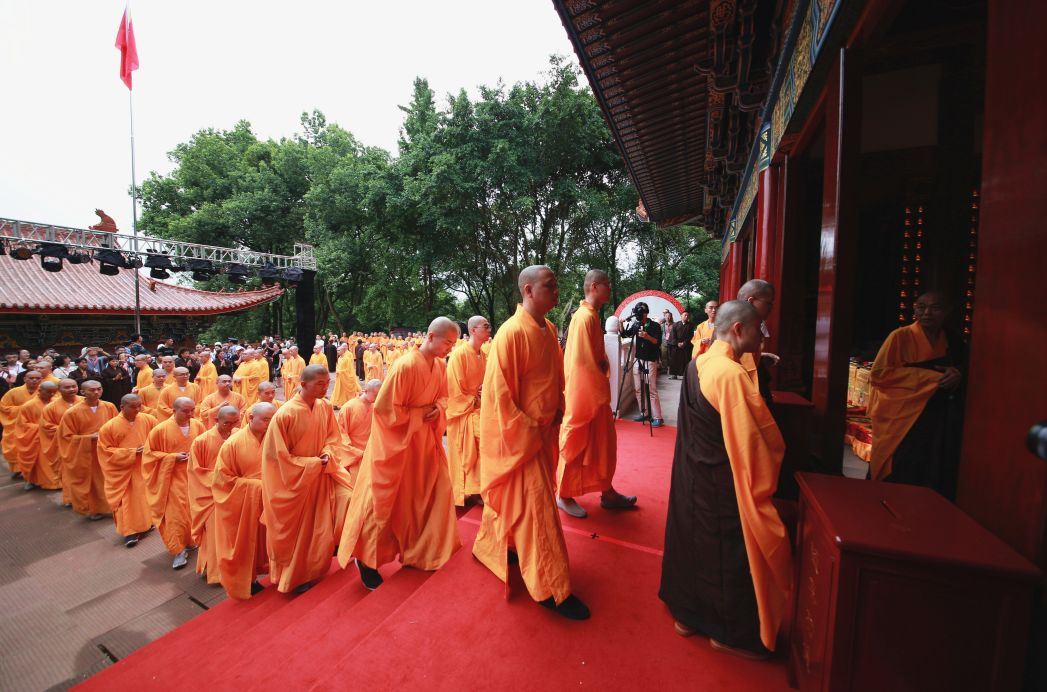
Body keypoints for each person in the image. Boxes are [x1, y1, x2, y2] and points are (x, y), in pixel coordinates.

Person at [659, 300, 792, 659]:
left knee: (691, 540)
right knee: (727, 551)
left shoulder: (700, 360)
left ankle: (687, 617)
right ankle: (726, 632)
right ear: (738, 329)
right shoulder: (731, 375)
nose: (762, 336)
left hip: (692, 471)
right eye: (758, 329)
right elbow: (755, 442)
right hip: (720, 479)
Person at [473, 265, 589, 620]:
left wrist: (557, 408)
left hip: (543, 434)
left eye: (555, 285)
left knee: (523, 505)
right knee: (539, 512)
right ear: (527, 290)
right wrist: (528, 431)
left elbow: (554, 376)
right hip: (522, 439)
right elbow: (498, 397)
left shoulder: (549, 328)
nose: (556, 291)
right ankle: (551, 588)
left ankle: (496, 544)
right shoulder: (510, 334)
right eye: (549, 286)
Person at [337, 319, 459, 589]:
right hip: (397, 445)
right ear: (430, 336)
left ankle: (424, 550)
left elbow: (444, 398)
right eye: (448, 342)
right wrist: (420, 414)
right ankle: (367, 559)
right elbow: (385, 410)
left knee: (432, 491)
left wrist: (437, 409)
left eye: (453, 343)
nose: (450, 349)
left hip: (425, 442)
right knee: (383, 501)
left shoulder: (440, 366)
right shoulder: (405, 365)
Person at [261, 364, 353, 594]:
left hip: (320, 475)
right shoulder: (285, 414)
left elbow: (334, 437)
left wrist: (328, 453)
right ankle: (293, 578)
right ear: (302, 384)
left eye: (327, 383)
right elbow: (276, 458)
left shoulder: (324, 406)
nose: (325, 388)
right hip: (294, 483)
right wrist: (311, 464)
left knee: (327, 521)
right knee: (298, 533)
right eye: (319, 384)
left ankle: (314, 568)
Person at [868, 291, 965, 498]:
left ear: (948, 311)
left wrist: (958, 373)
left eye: (935, 308)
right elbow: (879, 374)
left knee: (932, 465)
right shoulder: (900, 336)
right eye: (921, 307)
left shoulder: (954, 340)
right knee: (900, 463)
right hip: (902, 416)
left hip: (936, 413)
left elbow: (965, 368)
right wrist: (930, 377)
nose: (927, 313)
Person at [556, 270, 636, 518]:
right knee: (576, 443)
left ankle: (607, 491)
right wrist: (598, 384)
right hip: (585, 395)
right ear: (594, 287)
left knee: (603, 447)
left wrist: (602, 366)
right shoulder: (583, 317)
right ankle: (563, 494)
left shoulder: (591, 315)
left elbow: (594, 358)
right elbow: (580, 362)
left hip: (594, 392)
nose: (610, 290)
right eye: (607, 285)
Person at [213, 402, 277, 599]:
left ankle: (278, 571)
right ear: (250, 418)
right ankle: (247, 580)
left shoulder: (276, 439)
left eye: (272, 419)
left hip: (272, 501)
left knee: (273, 539)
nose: (269, 424)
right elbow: (223, 480)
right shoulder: (232, 444)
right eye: (266, 419)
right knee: (245, 544)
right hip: (245, 504)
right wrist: (256, 487)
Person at [143, 397, 205, 570]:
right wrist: (171, 457)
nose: (191, 414)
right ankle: (178, 550)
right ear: (174, 410)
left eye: (193, 410)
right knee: (174, 516)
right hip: (170, 479)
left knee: (193, 511)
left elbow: (204, 446)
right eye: (186, 411)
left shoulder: (198, 425)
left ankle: (192, 540)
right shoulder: (160, 430)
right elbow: (149, 455)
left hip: (194, 476)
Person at [97, 394, 158, 547]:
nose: (137, 409)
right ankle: (129, 531)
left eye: (139, 406)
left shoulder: (148, 419)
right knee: (127, 500)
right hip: (123, 472)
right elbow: (105, 451)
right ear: (122, 407)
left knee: (143, 497)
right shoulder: (109, 427)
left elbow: (158, 437)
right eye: (133, 407)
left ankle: (146, 523)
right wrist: (131, 452)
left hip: (144, 467)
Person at [188, 405, 240, 583]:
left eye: (235, 422)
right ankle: (216, 572)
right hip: (211, 495)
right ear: (216, 420)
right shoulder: (201, 441)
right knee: (215, 535)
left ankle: (235, 567)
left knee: (234, 533)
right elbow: (197, 472)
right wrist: (224, 480)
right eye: (227, 423)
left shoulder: (238, 435)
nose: (231, 427)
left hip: (235, 492)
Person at [446, 315, 491, 507]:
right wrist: (476, 398)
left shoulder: (485, 355)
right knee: (466, 453)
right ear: (473, 330)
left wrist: (485, 394)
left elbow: (489, 382)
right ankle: (464, 491)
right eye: (485, 326)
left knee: (483, 450)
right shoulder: (459, 355)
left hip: (481, 411)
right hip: (464, 413)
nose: (489, 329)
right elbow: (453, 389)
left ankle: (478, 488)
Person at [58, 380, 117, 519]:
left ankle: (113, 505)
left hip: (106, 450)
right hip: (86, 454)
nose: (96, 392)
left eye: (99, 389)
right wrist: (87, 438)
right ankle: (94, 509)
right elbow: (66, 437)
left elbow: (117, 425)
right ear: (83, 392)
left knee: (111, 479)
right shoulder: (72, 413)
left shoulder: (109, 407)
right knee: (92, 483)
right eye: (92, 390)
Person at [13, 380, 60, 490]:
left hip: (54, 437)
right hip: (37, 438)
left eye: (54, 392)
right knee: (36, 461)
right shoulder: (28, 406)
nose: (52, 395)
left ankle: (58, 481)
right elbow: (22, 425)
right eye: (49, 392)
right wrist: (41, 428)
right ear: (40, 390)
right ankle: (32, 480)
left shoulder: (57, 403)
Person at [41, 379, 82, 501]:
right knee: (68, 471)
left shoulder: (85, 402)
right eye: (67, 387)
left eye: (74, 386)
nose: (71, 389)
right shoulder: (50, 407)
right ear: (59, 390)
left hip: (85, 444)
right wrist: (68, 431)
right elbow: (47, 426)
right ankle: (70, 497)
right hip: (65, 444)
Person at [627, 302, 664, 427]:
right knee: (638, 388)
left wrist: (647, 336)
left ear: (646, 312)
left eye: (640, 311)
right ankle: (645, 413)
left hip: (650, 360)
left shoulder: (654, 326)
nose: (637, 314)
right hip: (638, 359)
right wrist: (621, 324)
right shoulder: (636, 324)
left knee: (651, 389)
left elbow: (657, 342)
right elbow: (625, 335)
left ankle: (658, 417)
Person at [1, 369, 42, 475]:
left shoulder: (45, 391)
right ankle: (17, 468)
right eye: (31, 378)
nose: (34, 380)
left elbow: (51, 407)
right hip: (16, 425)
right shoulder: (13, 392)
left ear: (41, 380)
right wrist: (24, 409)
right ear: (25, 379)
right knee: (13, 447)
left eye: (37, 378)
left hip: (37, 426)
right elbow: (4, 407)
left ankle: (34, 472)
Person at [337, 379, 381, 476]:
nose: (378, 398)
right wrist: (356, 453)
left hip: (371, 452)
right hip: (354, 456)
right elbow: (341, 434)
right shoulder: (348, 407)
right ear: (365, 391)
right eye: (375, 395)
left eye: (380, 395)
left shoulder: (375, 407)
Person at [331, 343, 360, 408]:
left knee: (345, 391)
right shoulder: (339, 358)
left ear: (343, 350)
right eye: (337, 350)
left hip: (345, 377)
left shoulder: (347, 358)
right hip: (340, 378)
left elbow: (349, 369)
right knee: (339, 390)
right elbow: (338, 367)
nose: (337, 352)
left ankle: (347, 402)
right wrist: (337, 371)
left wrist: (341, 372)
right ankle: (338, 402)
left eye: (339, 350)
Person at [668, 310, 696, 378]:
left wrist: (684, 343)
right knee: (674, 360)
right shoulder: (675, 324)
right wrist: (677, 343)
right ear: (681, 316)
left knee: (686, 360)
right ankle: (674, 375)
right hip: (676, 346)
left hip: (686, 346)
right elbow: (673, 335)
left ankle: (685, 375)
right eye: (685, 315)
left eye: (687, 315)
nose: (686, 317)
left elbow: (691, 336)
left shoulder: (691, 325)